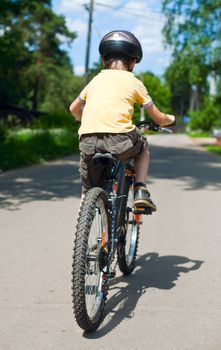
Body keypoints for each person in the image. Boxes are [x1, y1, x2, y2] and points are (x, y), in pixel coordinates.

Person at [70, 30, 175, 211]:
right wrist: (168, 119)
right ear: (133, 63)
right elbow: (156, 116)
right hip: (121, 141)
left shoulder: (95, 80)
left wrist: (82, 121)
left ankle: (83, 222)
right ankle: (141, 189)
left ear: (104, 60)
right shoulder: (133, 81)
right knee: (142, 147)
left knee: (87, 190)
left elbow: (73, 108)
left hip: (88, 141)